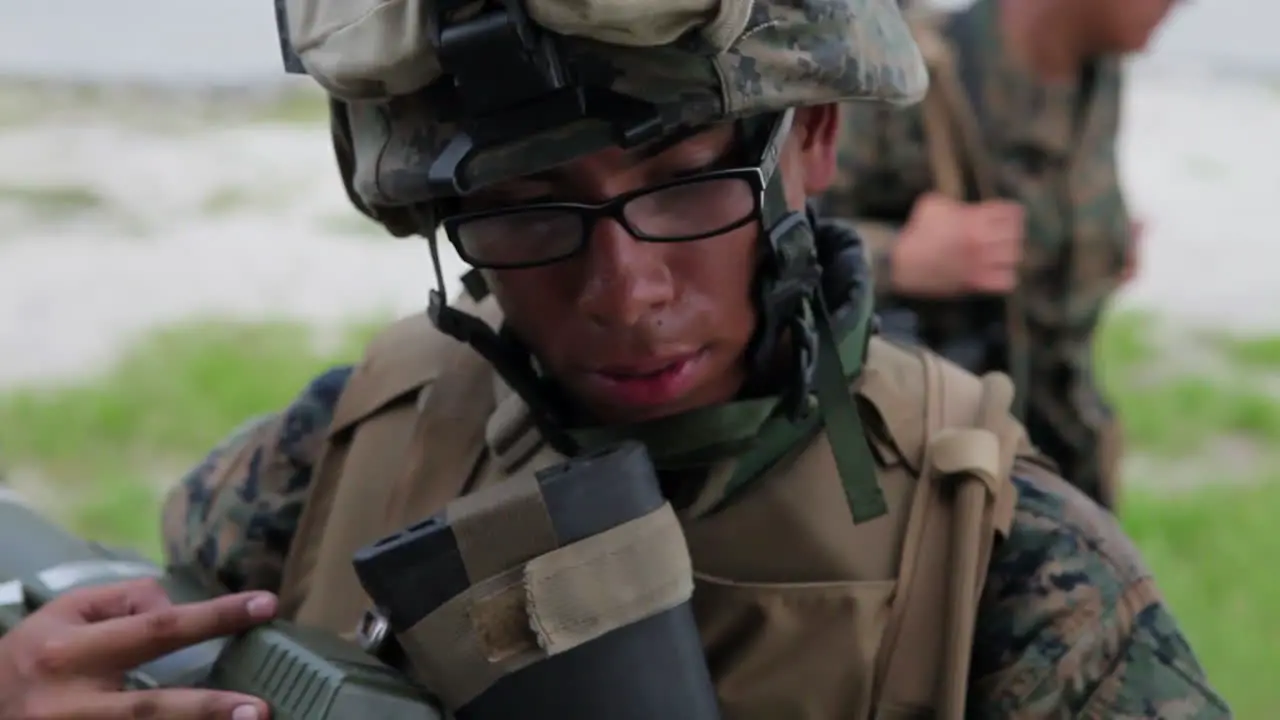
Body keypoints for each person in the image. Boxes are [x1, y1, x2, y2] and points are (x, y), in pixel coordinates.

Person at [0, 0, 1229, 717]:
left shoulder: (1008, 567)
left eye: (688, 186)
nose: (625, 294)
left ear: (809, 138)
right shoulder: (343, 447)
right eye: (530, 213)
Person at [819, 0, 1180, 510]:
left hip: (1065, 461)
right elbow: (776, 246)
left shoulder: (1099, 72)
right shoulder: (909, 72)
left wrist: (1098, 247)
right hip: (937, 480)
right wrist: (898, 259)